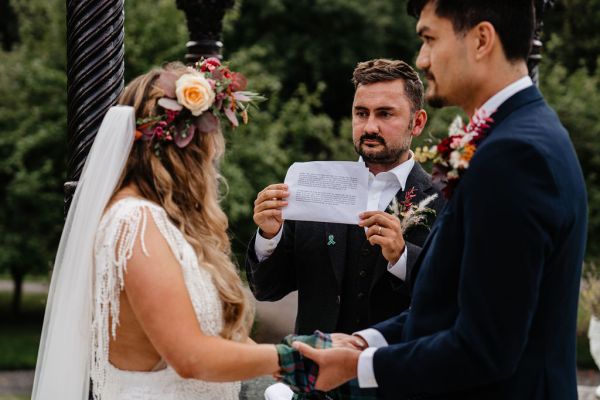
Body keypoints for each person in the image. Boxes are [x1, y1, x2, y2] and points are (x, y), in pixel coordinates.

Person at [294, 1, 589, 399]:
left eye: (430, 39)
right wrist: (366, 341)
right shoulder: (517, 134)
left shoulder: (515, 154)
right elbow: (454, 305)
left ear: (482, 39)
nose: (422, 59)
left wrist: (358, 367)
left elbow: (485, 347)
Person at [31, 60, 280, 400]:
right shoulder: (134, 222)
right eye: (208, 139)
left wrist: (300, 367)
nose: (211, 156)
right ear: (185, 145)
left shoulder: (165, 223)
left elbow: (220, 337)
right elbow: (190, 357)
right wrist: (294, 358)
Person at [246, 59, 444, 399]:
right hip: (313, 385)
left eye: (385, 114)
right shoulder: (313, 188)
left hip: (399, 384)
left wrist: (401, 256)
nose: (369, 126)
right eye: (361, 113)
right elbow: (267, 290)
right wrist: (269, 235)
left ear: (418, 122)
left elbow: (449, 301)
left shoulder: (445, 199)